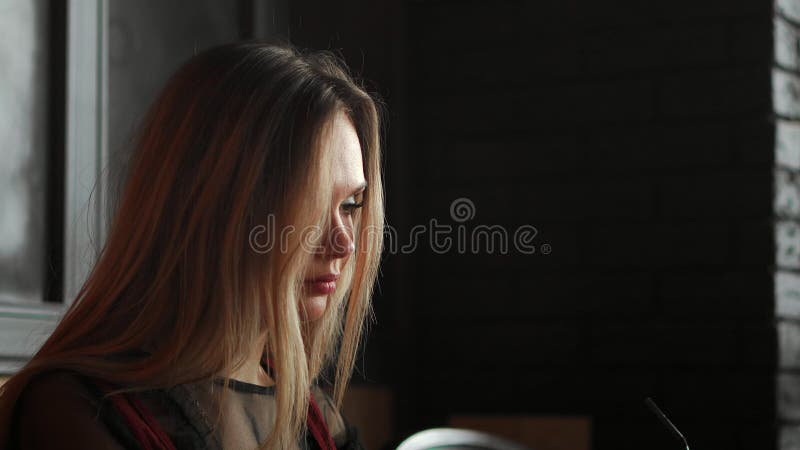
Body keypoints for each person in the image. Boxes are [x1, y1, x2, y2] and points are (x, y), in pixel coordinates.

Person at [0, 40, 385, 450]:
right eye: (308, 203)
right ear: (213, 203)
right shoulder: (75, 410)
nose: (345, 242)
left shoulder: (317, 421)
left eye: (349, 204)